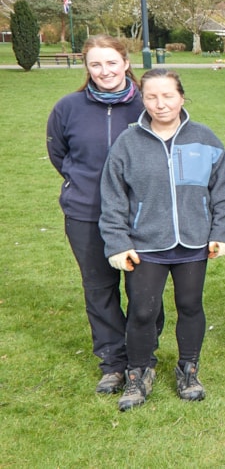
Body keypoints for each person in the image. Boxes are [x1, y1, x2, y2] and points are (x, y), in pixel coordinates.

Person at [99, 69, 225, 411]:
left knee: (190, 306)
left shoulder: (205, 139)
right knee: (143, 312)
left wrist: (221, 232)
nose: (160, 104)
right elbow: (113, 197)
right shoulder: (127, 144)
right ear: (143, 99)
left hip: (194, 245)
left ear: (182, 97)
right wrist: (117, 243)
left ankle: (188, 368)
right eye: (152, 97)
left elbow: (222, 190)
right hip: (145, 245)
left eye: (168, 96)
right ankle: (138, 371)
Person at [47, 35, 150, 395]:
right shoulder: (68, 108)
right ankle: (113, 362)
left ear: (125, 62)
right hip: (86, 214)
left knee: (143, 291)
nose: (104, 71)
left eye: (111, 63)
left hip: (142, 214)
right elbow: (60, 155)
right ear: (86, 67)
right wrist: (87, 188)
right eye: (95, 64)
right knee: (99, 290)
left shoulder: (147, 103)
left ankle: (143, 359)